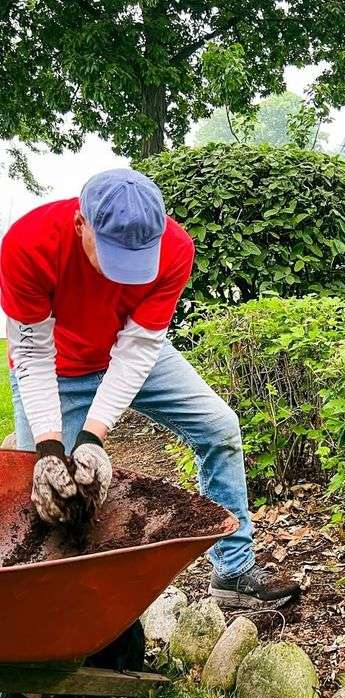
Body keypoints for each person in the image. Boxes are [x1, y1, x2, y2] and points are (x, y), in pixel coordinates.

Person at [0, 167, 299, 609]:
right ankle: (48, 613)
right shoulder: (28, 244)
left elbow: (138, 349)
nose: (124, 277)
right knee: (46, 495)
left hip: (131, 349)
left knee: (219, 427)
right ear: (81, 224)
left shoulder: (175, 248)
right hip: (57, 367)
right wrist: (49, 446)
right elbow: (32, 353)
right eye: (114, 257)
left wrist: (92, 438)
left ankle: (233, 572)